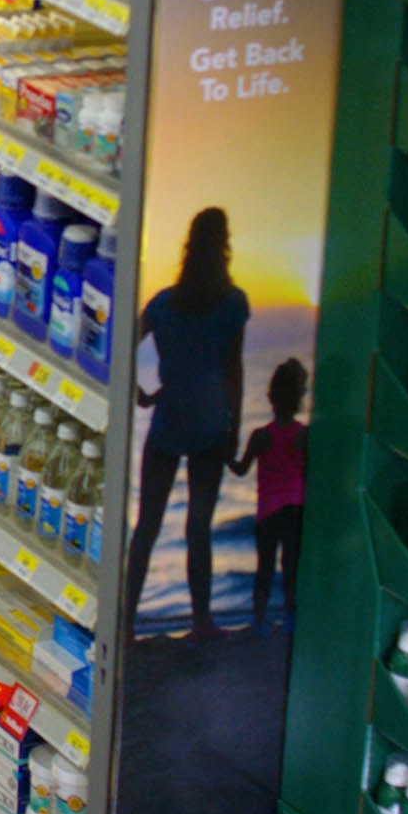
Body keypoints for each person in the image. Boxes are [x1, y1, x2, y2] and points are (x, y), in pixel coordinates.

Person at [129, 206, 247, 638]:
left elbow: (123, 346)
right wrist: (234, 429)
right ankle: (201, 622)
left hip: (167, 423)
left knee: (147, 526)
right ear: (224, 247)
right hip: (211, 426)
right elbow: (233, 370)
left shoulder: (163, 304)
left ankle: (124, 624)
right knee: (199, 527)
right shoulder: (233, 304)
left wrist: (140, 392)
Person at [234, 357, 307, 635]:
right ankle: (290, 618)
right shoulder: (304, 436)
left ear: (270, 397)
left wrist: (223, 454)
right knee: (291, 566)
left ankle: (259, 621)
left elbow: (240, 470)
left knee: (264, 568)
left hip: (267, 512)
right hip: (295, 509)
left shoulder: (260, 436)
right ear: (299, 397)